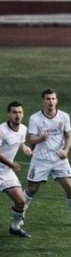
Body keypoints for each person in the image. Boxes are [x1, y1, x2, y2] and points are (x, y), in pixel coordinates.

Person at [23, 88, 71, 226]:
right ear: (43, 101)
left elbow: (69, 136)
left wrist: (66, 150)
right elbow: (31, 139)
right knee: (32, 189)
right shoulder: (35, 118)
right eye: (48, 99)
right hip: (41, 159)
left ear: (56, 100)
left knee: (69, 187)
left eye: (53, 98)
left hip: (59, 159)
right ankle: (20, 213)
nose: (50, 101)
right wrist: (41, 138)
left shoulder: (64, 116)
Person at [0, 101, 33, 237]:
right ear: (9, 114)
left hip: (6, 172)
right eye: (14, 112)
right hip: (7, 166)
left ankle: (15, 227)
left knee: (21, 202)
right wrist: (11, 164)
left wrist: (24, 147)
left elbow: (20, 140)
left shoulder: (23, 129)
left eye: (20, 112)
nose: (17, 115)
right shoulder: (1, 130)